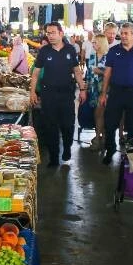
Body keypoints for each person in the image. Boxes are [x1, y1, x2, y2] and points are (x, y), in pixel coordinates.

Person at [29, 22, 87, 167]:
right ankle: (54, 157)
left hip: (67, 94)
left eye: (53, 32)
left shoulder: (70, 49)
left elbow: (77, 70)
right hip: (48, 95)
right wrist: (32, 92)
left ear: (61, 33)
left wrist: (82, 89)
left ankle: (67, 148)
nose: (50, 36)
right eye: (48, 33)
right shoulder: (44, 51)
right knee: (50, 126)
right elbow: (35, 74)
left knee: (68, 125)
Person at [99, 22, 133, 164]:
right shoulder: (114, 51)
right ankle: (110, 150)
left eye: (127, 33)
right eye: (122, 33)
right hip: (116, 92)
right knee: (110, 124)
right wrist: (103, 93)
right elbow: (107, 73)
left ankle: (131, 155)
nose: (124, 36)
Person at [85, 33, 109, 151]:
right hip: (93, 89)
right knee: (97, 114)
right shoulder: (92, 56)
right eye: (93, 42)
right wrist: (85, 88)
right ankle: (101, 137)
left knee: (100, 114)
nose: (93, 44)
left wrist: (100, 71)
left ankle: (99, 138)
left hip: (105, 90)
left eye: (95, 42)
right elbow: (88, 74)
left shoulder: (108, 57)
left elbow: (111, 74)